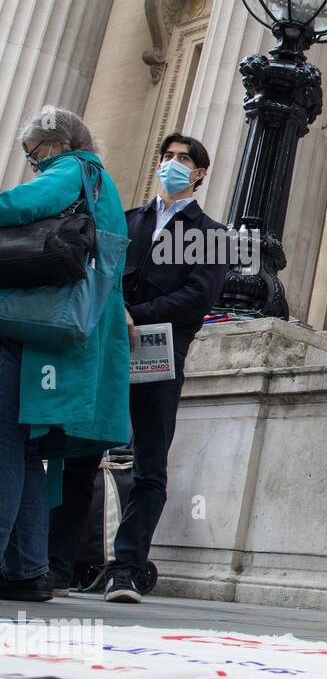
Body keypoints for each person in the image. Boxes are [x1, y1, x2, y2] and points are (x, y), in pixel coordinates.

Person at [47, 133, 228, 603]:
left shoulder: (211, 235)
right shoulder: (125, 222)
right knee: (80, 457)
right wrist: (116, 311)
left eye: (184, 159)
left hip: (161, 359)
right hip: (107, 354)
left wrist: (135, 315)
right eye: (167, 156)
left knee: (150, 465)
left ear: (200, 173)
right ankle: (55, 566)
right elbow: (99, 275)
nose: (172, 164)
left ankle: (125, 569)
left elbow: (198, 298)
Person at [0, 108, 131, 602]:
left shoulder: (72, 169)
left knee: (5, 442)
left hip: (28, 330)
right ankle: (28, 569)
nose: (33, 165)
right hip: (68, 334)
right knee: (29, 451)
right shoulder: (104, 184)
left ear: (53, 144)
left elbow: (25, 205)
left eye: (33, 155)